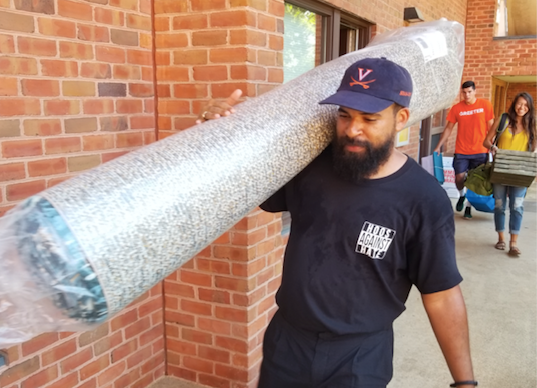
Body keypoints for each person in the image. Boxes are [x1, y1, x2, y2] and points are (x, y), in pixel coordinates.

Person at [200, 57, 476, 388]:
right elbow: (243, 186)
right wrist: (217, 134)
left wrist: (465, 382)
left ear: (401, 118)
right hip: (288, 344)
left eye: (369, 119)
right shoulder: (310, 166)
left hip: (360, 358)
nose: (352, 129)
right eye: (344, 115)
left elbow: (442, 294)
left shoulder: (423, 199)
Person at [483, 92, 537, 257]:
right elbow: (486, 140)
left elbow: (535, 146)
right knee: (499, 205)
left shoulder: (533, 124)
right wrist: (492, 147)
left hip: (521, 171)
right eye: (520, 104)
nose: (522, 108)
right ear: (514, 104)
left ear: (529, 108)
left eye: (526, 106)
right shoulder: (503, 120)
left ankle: (514, 243)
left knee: (517, 207)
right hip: (501, 169)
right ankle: (501, 238)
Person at [433, 81, 494, 219]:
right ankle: (462, 195)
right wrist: (438, 146)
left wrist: (491, 146)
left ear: (474, 91)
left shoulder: (485, 105)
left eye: (469, 92)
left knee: (475, 181)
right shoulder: (457, 108)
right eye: (464, 92)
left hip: (480, 150)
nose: (467, 95)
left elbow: (491, 128)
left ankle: (468, 207)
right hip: (462, 150)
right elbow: (449, 128)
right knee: (459, 178)